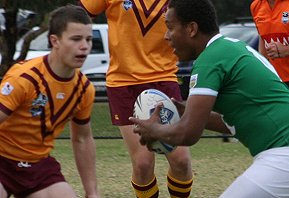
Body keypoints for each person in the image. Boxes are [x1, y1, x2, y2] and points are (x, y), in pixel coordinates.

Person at [129, 0, 289, 197]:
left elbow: (188, 134)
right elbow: (234, 122)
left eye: (170, 27)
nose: (166, 36)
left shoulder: (210, 59)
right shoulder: (227, 48)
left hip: (288, 154)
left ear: (191, 29)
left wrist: (155, 130)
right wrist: (186, 110)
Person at [79, 0, 193, 197]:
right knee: (142, 164)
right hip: (124, 83)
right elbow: (80, 16)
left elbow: (196, 22)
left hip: (164, 78)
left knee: (181, 161)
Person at [0, 5, 99, 198]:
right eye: (76, 39)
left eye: (88, 39)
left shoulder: (84, 89)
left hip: (38, 166)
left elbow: (82, 139)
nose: (85, 46)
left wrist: (92, 192)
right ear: (55, 41)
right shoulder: (24, 78)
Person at [251, 0, 289, 102]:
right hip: (277, 82)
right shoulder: (255, 6)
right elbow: (262, 39)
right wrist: (263, 71)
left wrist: (287, 50)